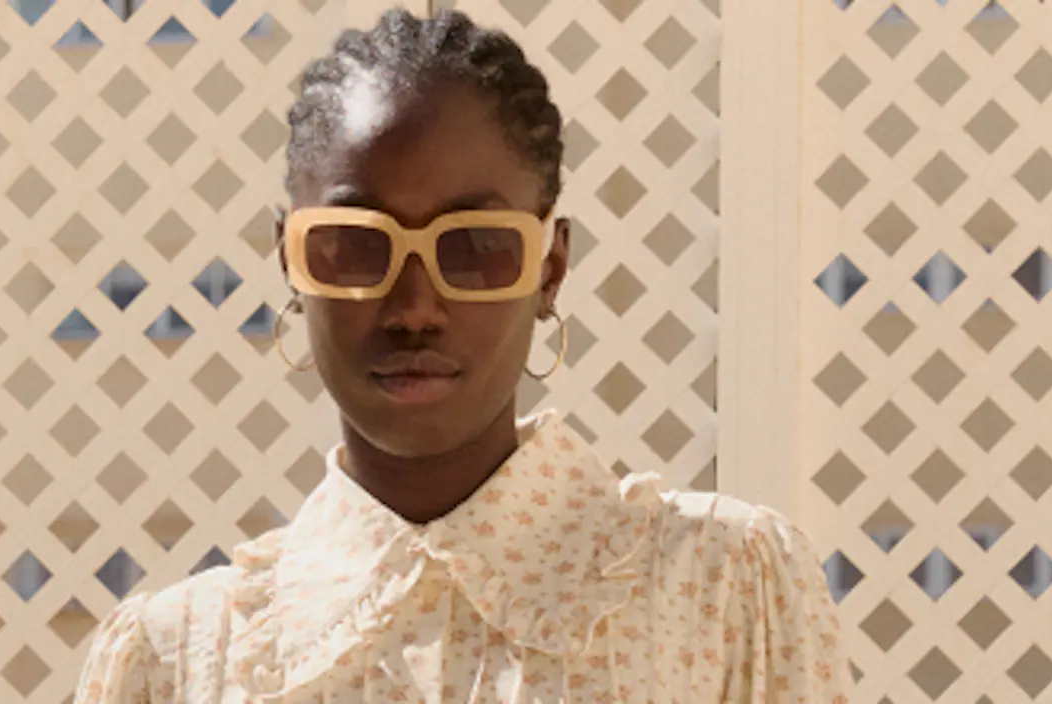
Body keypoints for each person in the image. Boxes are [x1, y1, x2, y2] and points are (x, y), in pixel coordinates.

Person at [74, 9, 849, 701]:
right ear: (292, 264)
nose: (415, 308)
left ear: (549, 269)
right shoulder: (177, 664)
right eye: (356, 246)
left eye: (475, 247)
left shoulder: (721, 590)